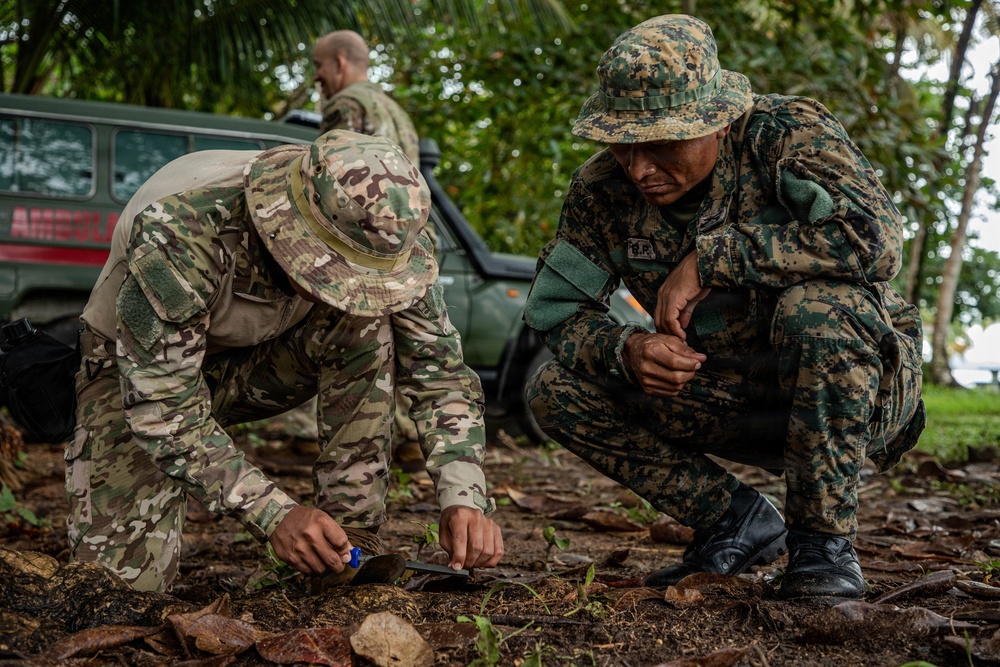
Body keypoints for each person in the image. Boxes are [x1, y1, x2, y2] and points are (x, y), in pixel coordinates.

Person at [523, 14, 925, 599]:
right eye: (623, 144)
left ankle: (823, 546)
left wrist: (717, 259)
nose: (639, 168)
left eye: (662, 143)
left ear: (717, 120)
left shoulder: (784, 136)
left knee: (819, 308)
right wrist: (628, 348)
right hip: (732, 394)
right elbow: (555, 309)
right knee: (553, 390)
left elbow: (875, 241)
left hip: (858, 392)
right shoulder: (600, 190)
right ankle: (733, 519)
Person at [67, 130, 503, 593]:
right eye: (341, 273)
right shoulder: (182, 227)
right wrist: (274, 513)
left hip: (258, 362)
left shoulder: (386, 228)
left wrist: (464, 494)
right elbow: (163, 408)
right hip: (138, 379)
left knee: (366, 324)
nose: (356, 289)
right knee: (120, 591)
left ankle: (345, 539)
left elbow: (441, 374)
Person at [313, 30, 420, 165]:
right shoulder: (397, 111)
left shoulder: (345, 104)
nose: (315, 76)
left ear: (340, 64)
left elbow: (331, 174)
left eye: (319, 65)